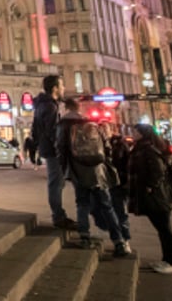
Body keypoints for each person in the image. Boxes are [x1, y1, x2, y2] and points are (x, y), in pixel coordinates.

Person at [55, 98, 131, 256]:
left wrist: (65, 169)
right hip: (97, 170)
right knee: (107, 206)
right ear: (78, 108)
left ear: (66, 108)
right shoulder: (91, 123)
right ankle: (119, 241)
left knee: (82, 203)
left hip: (77, 169)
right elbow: (106, 146)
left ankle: (85, 237)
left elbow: (61, 148)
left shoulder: (64, 125)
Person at [128, 123, 172, 275]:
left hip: (157, 197)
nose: (133, 133)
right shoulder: (143, 148)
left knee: (165, 229)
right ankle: (166, 260)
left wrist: (150, 186)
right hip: (154, 195)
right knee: (162, 229)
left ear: (143, 134)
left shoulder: (148, 150)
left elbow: (157, 171)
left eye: (135, 131)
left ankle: (171, 263)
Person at [30, 75, 77, 230]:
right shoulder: (49, 106)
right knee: (56, 183)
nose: (63, 88)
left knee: (57, 182)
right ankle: (58, 216)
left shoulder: (42, 105)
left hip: (47, 148)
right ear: (55, 88)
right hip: (52, 150)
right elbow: (52, 131)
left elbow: (35, 129)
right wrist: (59, 149)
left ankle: (59, 214)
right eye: (61, 85)